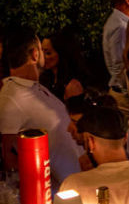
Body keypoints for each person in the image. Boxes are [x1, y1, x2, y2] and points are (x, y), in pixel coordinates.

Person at [0, 27, 81, 181]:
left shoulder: (35, 87)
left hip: (75, 182)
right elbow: (8, 156)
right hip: (56, 195)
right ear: (35, 55)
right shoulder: (11, 96)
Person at [40, 29, 87, 103]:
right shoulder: (44, 79)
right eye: (41, 51)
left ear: (61, 53)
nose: (42, 56)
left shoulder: (73, 84)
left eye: (48, 53)